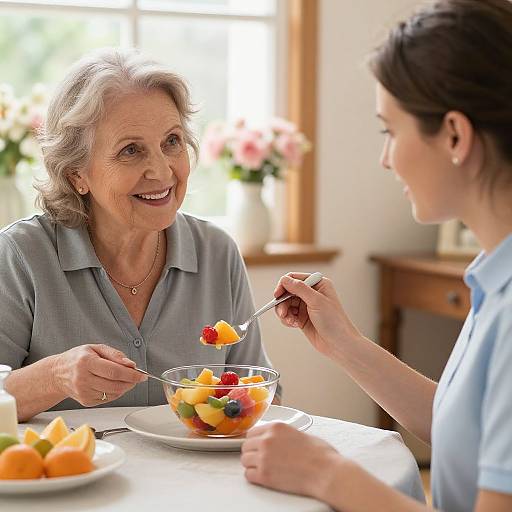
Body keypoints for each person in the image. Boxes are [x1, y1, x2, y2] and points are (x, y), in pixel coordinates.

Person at [241, 1, 512, 510]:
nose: (384, 158)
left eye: (389, 131)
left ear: (455, 134)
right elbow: (465, 426)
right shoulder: (496, 277)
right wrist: (345, 344)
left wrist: (327, 473)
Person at [0, 48, 275, 422]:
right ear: (76, 174)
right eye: (131, 150)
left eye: (172, 142)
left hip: (198, 477)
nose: (161, 172)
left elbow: (258, 394)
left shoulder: (217, 252)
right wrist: (56, 376)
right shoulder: (21, 255)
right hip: (74, 474)